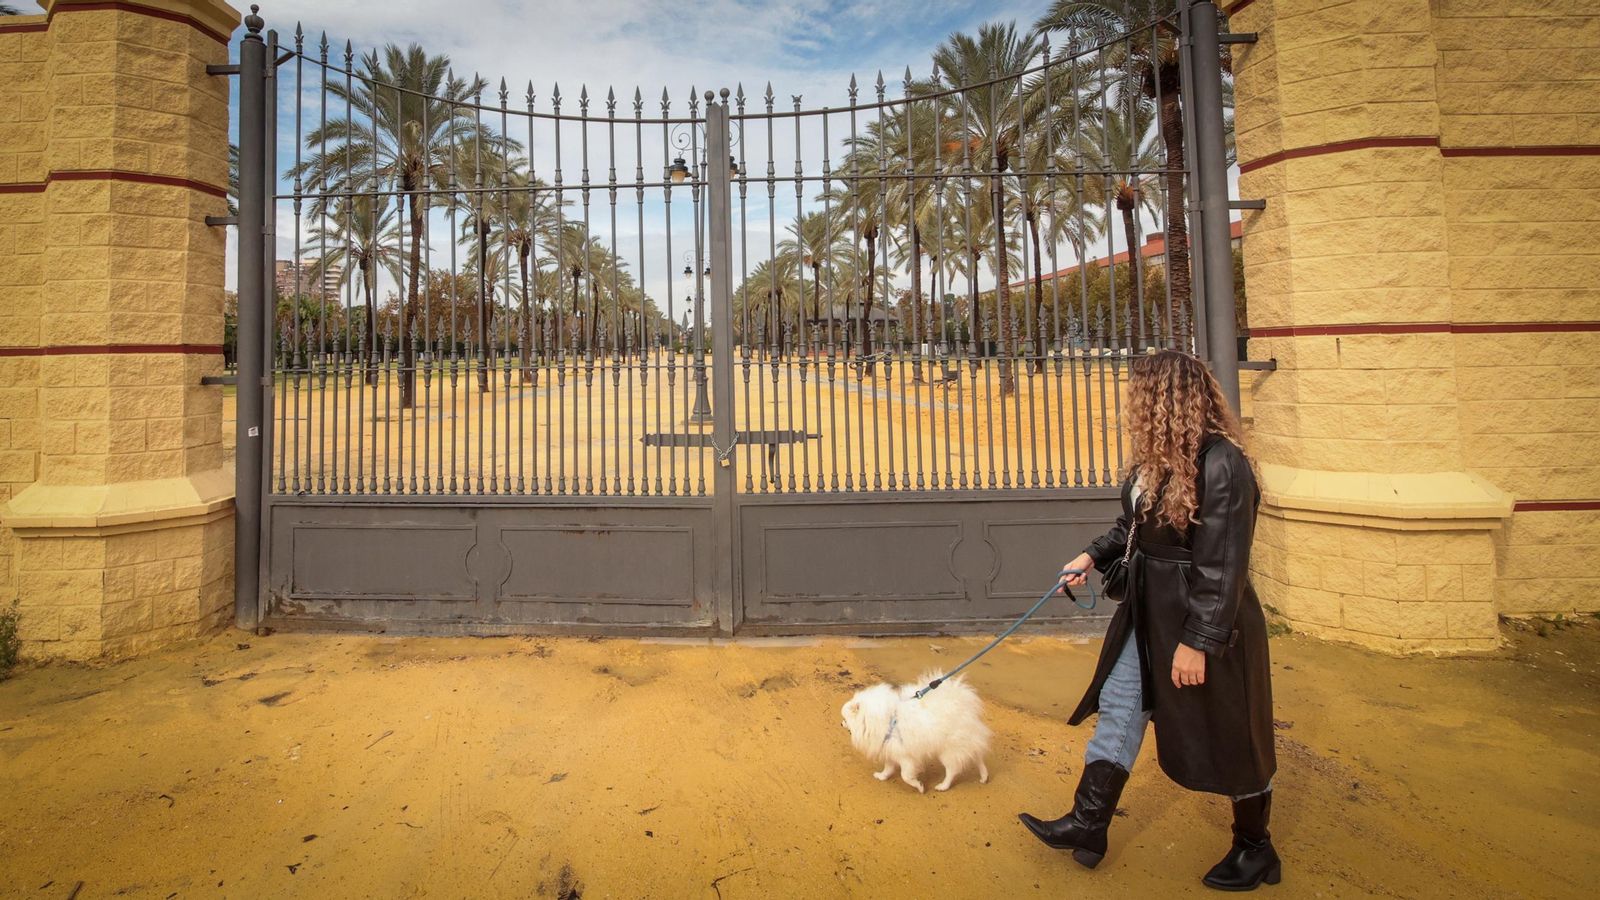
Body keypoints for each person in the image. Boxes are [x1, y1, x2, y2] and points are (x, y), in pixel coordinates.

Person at [1018, 350, 1280, 891]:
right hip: (1149, 613)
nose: (1130, 404)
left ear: (1164, 399)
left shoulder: (1221, 462)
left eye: (1139, 394)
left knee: (1233, 733)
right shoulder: (1159, 461)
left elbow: (1224, 566)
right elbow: (1133, 528)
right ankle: (1088, 825)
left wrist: (1199, 642)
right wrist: (1089, 557)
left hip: (1205, 622)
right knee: (1119, 704)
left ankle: (1256, 849)